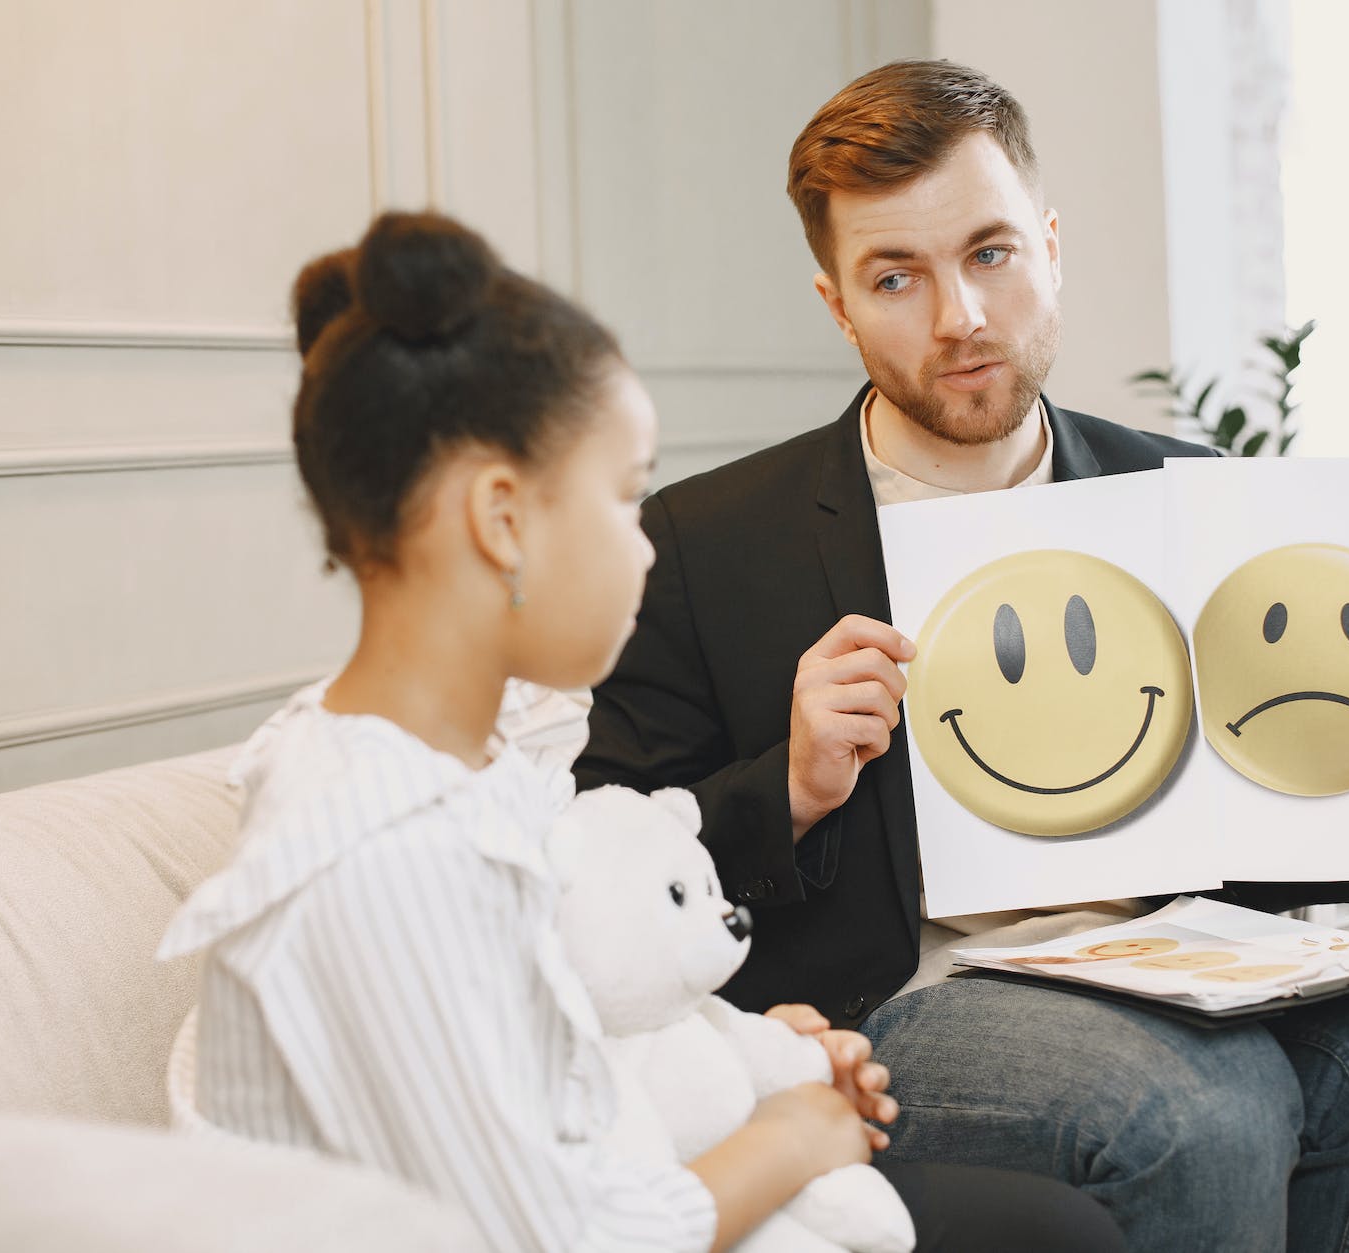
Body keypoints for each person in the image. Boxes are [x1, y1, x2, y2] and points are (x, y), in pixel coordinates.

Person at [577, 60, 1349, 1253]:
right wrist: (795, 783)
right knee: (1197, 1109)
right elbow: (596, 858)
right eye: (893, 276)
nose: (959, 317)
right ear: (836, 304)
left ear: (1049, 246)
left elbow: (1268, 827)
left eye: (989, 253)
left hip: (1185, 956)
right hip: (916, 993)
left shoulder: (1195, 497)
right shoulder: (707, 540)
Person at [157, 210, 1124, 1252]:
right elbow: (565, 1234)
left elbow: (553, 1042)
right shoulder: (378, 844)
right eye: (623, 501)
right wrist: (792, 1136)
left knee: (1051, 1229)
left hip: (621, 1172)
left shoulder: (477, 764)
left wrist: (750, 1048)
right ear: (500, 519)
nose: (647, 549)